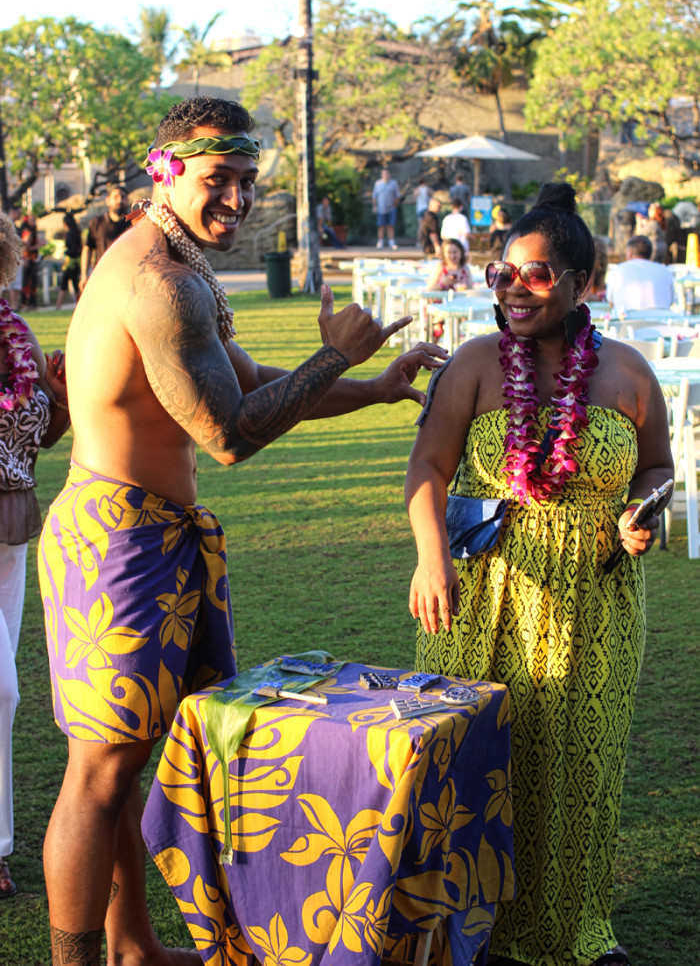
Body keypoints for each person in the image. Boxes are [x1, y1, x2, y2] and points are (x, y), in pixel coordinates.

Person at [37, 96, 446, 966]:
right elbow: (225, 436)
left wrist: (370, 388)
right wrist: (337, 355)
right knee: (101, 773)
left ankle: (134, 947)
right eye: (219, 178)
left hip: (158, 538)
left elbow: (254, 384)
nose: (237, 198)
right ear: (167, 170)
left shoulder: (185, 267)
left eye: (248, 181)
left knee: (141, 762)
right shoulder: (158, 281)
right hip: (117, 545)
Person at [405, 183, 673, 966]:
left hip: (596, 599)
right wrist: (428, 557)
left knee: (577, 770)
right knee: (477, 762)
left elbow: (657, 466)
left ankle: (573, 930)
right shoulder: (475, 364)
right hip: (484, 593)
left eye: (537, 274)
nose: (514, 289)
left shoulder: (628, 372)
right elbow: (427, 465)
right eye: (503, 274)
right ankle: (466, 931)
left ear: (586, 283)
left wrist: (642, 514)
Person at [0, 212, 70, 901]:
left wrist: (64, 395)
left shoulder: (15, 335)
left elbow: (40, 431)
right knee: (3, 688)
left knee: (0, 696)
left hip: (11, 521)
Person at [605, 234, 674, 315]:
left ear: (629, 253)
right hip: (661, 323)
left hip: (627, 324)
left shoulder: (618, 271)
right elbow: (670, 302)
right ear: (650, 254)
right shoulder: (665, 271)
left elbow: (611, 302)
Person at [80, 185, 129, 289]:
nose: (120, 200)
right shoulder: (97, 223)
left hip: (127, 278)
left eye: (123, 197)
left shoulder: (133, 224)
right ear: (108, 200)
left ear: (127, 200)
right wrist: (84, 275)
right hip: (102, 276)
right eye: (115, 197)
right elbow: (87, 248)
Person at [55, 212, 83, 310]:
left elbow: (74, 249)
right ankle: (60, 305)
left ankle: (59, 305)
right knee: (73, 284)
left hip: (71, 262)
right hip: (76, 261)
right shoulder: (77, 232)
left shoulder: (70, 233)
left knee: (66, 284)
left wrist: (66, 252)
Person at [372, 167, 400, 250]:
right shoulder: (377, 183)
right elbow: (374, 196)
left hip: (391, 208)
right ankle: (380, 242)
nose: (385, 175)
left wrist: (394, 205)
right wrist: (374, 206)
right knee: (381, 226)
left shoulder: (394, 183)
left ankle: (392, 242)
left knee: (390, 225)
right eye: (383, 173)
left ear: (389, 174)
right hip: (381, 209)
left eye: (386, 173)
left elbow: (397, 196)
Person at [19, 214, 40, 310]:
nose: (34, 222)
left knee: (32, 282)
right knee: (28, 282)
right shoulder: (28, 232)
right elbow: (25, 246)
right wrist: (38, 245)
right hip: (28, 260)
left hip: (32, 260)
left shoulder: (33, 232)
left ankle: (31, 303)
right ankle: (26, 303)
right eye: (33, 220)